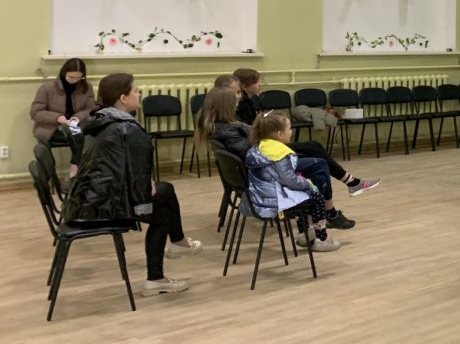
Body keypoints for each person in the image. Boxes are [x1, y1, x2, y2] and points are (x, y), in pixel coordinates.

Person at [63, 73, 202, 297]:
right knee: (161, 209)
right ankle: (163, 266)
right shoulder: (128, 128)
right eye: (136, 91)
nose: (139, 94)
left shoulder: (99, 119)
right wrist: (146, 193)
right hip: (105, 209)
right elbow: (139, 185)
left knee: (164, 192)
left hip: (85, 200)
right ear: (123, 98)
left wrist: (147, 185)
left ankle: (174, 250)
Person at [196, 88, 359, 228]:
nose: (237, 104)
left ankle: (320, 216)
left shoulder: (222, 126)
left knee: (313, 154)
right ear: (226, 106)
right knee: (319, 164)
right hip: (264, 173)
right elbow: (251, 153)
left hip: (258, 169)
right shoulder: (226, 130)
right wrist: (270, 140)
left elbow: (250, 144)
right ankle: (326, 214)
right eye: (234, 102)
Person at [219, 71, 379, 197]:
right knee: (317, 157)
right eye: (236, 92)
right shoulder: (235, 113)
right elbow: (252, 137)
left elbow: (251, 130)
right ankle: (341, 193)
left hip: (266, 149)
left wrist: (264, 123)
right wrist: (266, 127)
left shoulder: (240, 107)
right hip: (268, 154)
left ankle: (350, 183)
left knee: (314, 147)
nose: (260, 85)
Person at [245, 112, 341, 252]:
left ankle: (305, 233)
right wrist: (307, 183)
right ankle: (322, 239)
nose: (291, 132)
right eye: (289, 129)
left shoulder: (259, 147)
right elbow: (289, 180)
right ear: (280, 134)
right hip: (274, 199)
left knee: (301, 193)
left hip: (260, 194)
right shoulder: (280, 152)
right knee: (316, 196)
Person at [30, 57, 95, 177]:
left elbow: (91, 109)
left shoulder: (86, 88)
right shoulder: (47, 88)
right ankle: (62, 175)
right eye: (71, 77)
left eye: (78, 78)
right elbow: (35, 112)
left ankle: (75, 172)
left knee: (83, 137)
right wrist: (58, 118)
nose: (74, 81)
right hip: (51, 129)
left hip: (74, 126)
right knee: (78, 137)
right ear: (64, 73)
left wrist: (78, 117)